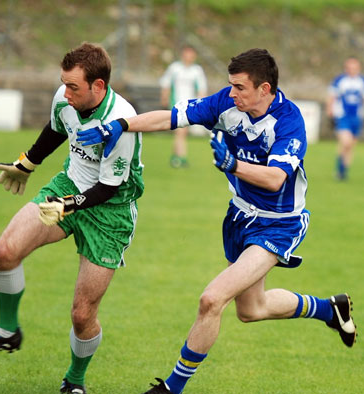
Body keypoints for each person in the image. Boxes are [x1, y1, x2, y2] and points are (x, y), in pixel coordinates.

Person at [76, 48, 357, 394]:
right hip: (239, 216)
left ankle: (172, 388)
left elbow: (275, 179)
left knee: (212, 299)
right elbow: (172, 117)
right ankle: (330, 309)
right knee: (252, 309)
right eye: (231, 86)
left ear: (264, 89)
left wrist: (233, 165)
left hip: (278, 223)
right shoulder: (227, 103)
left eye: (240, 87)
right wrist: (119, 126)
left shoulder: (288, 120)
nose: (232, 93)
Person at [0, 42, 144, 394]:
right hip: (69, 185)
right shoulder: (65, 97)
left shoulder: (122, 121)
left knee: (82, 315)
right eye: (64, 83)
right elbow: (58, 127)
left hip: (110, 212)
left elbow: (106, 188)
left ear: (99, 86)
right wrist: (27, 163)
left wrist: (67, 206)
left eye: (74, 86)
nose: (66, 92)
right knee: (5, 252)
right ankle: (7, 329)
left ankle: (74, 382)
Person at [160, 45, 207, 168]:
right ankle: (181, 158)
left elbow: (201, 90)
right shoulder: (175, 68)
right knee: (181, 132)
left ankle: (176, 157)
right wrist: (164, 98)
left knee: (181, 132)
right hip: (175, 104)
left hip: (190, 106)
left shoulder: (197, 71)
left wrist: (201, 106)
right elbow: (166, 84)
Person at [326, 56, 364, 180]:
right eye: (350, 67)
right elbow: (332, 97)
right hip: (343, 116)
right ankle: (340, 169)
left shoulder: (361, 81)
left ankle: (343, 172)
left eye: (354, 67)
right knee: (346, 142)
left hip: (357, 118)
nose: (352, 69)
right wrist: (330, 110)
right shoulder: (340, 80)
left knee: (350, 146)